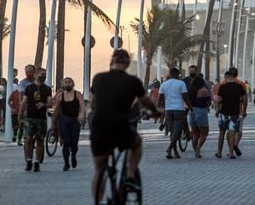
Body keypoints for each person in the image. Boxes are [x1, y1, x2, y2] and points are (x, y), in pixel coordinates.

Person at [90, 50, 160, 199]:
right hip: (119, 125)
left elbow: (92, 102)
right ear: (128, 63)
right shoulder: (132, 81)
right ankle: (129, 174)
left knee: (99, 169)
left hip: (99, 126)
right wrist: (155, 111)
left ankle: (98, 197)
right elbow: (145, 101)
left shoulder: (98, 78)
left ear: (112, 61)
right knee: (136, 143)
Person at [18, 67, 52, 172]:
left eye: (45, 75)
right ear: (36, 74)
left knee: (40, 140)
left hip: (41, 119)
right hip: (29, 118)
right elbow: (24, 102)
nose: (43, 76)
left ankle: (37, 162)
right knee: (28, 139)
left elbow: (50, 103)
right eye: (42, 74)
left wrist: (44, 104)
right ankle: (28, 161)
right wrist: (20, 116)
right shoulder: (29, 88)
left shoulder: (47, 89)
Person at [158, 67, 193, 159]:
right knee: (177, 131)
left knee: (172, 132)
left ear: (169, 74)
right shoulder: (181, 83)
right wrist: (191, 108)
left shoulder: (164, 84)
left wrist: (158, 110)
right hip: (179, 110)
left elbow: (160, 99)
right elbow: (186, 97)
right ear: (178, 74)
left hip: (168, 111)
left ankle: (175, 152)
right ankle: (170, 149)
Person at [51, 77, 85, 171]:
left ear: (73, 83)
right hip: (64, 120)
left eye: (69, 82)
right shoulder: (60, 96)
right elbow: (56, 110)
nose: (67, 84)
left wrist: (82, 115)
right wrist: (53, 123)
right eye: (65, 82)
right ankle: (66, 163)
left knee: (74, 142)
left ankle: (73, 155)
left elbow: (82, 106)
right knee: (66, 141)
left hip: (75, 121)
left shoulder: (77, 94)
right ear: (63, 84)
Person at [215, 70, 247, 159]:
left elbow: (218, 100)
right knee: (232, 133)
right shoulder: (239, 86)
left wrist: (217, 110)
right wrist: (244, 110)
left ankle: (219, 152)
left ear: (226, 77)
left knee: (221, 132)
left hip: (224, 113)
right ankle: (231, 153)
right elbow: (245, 99)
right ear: (233, 77)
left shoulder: (222, 87)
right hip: (235, 113)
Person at [187, 74, 211, 158]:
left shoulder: (190, 91)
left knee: (195, 134)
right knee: (204, 133)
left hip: (192, 112)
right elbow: (208, 102)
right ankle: (198, 148)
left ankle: (196, 151)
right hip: (201, 111)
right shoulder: (204, 91)